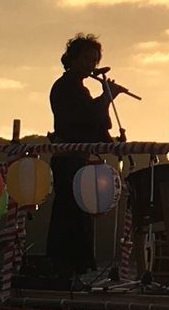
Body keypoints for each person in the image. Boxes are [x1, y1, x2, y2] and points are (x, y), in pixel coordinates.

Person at [45, 33, 128, 279]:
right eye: (85, 58)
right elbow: (82, 118)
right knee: (68, 217)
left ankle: (73, 272)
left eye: (93, 60)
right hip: (68, 159)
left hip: (78, 161)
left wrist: (114, 144)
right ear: (71, 59)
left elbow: (97, 125)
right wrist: (106, 96)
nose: (90, 65)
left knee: (79, 217)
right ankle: (61, 269)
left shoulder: (79, 89)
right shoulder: (65, 87)